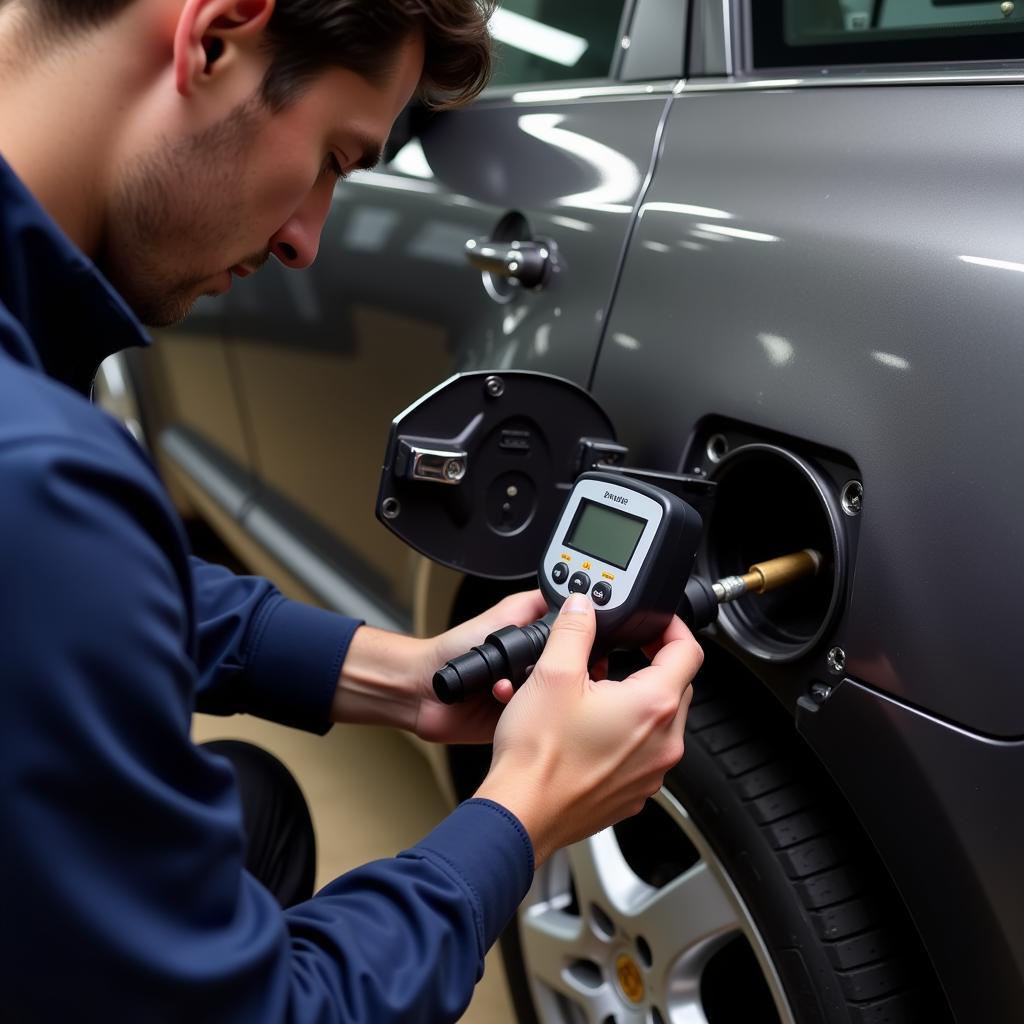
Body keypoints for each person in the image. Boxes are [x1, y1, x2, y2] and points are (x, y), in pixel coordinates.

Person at [0, 0, 703, 1020]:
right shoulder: (45, 476)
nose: (306, 242)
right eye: (335, 156)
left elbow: (63, 602)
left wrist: (393, 674)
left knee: (252, 802)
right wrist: (521, 812)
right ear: (215, 36)